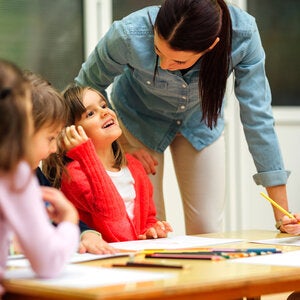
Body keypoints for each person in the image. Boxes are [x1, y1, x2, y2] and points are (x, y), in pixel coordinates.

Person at [74, 0, 298, 235]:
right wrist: (122, 145)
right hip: (138, 120)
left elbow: (258, 118)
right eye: (158, 51)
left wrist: (283, 216)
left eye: (179, 61)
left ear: (211, 46)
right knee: (149, 226)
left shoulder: (243, 35)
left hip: (200, 123)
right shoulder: (129, 33)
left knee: (207, 227)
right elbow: (85, 87)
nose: (164, 64)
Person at [44, 84, 173, 242]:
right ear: (71, 133)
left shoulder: (134, 166)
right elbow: (116, 227)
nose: (105, 112)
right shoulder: (74, 174)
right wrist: (85, 153)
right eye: (90, 113)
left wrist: (151, 230)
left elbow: (148, 218)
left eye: (103, 105)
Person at [0, 59, 79, 296]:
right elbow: (48, 262)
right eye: (50, 138)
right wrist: (69, 220)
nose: (55, 149)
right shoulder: (13, 173)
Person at [22, 70, 116, 254]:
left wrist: (86, 234)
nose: (54, 149)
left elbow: (54, 217)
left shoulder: (33, 176)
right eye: (50, 138)